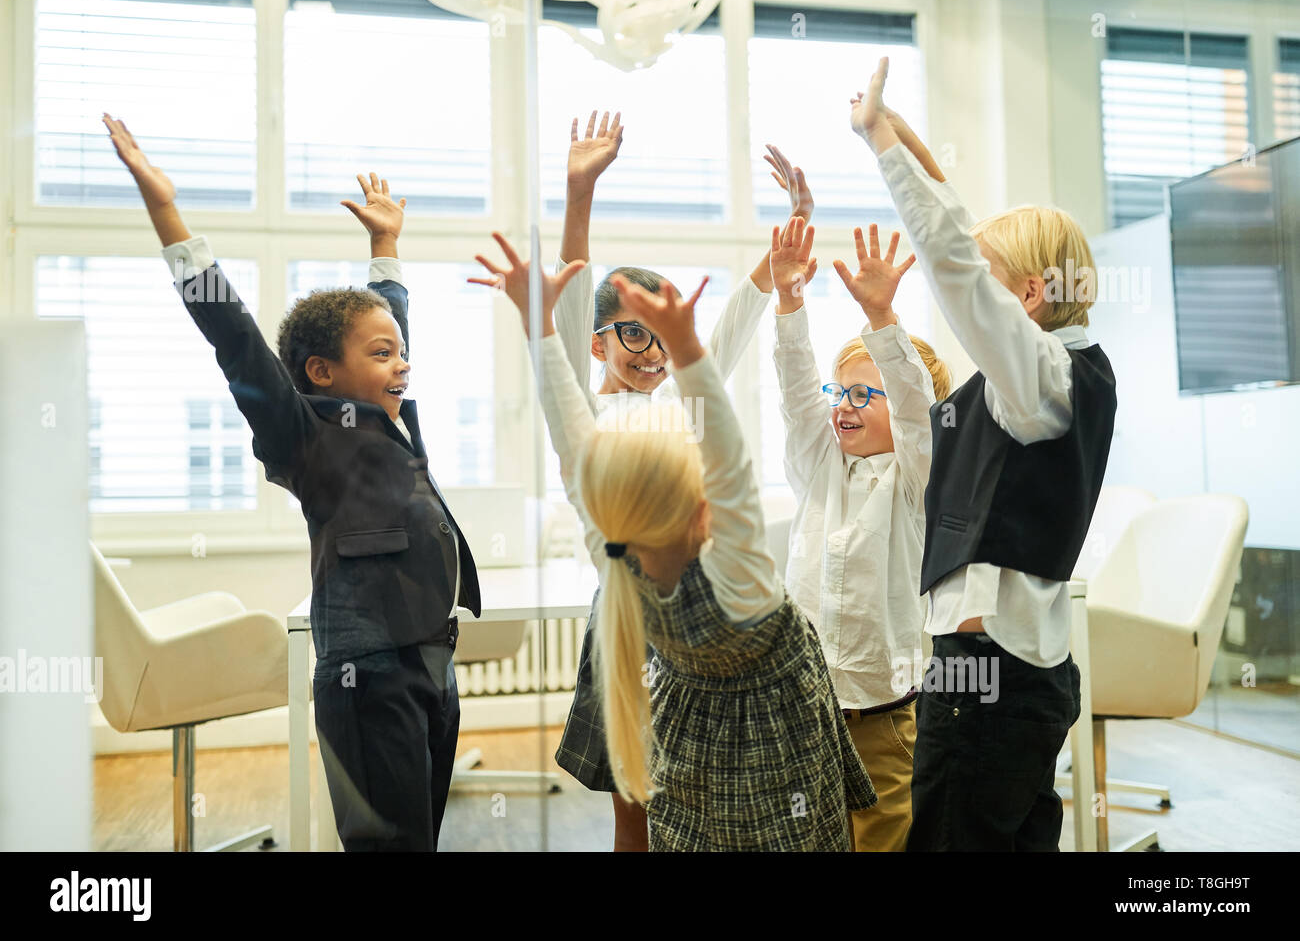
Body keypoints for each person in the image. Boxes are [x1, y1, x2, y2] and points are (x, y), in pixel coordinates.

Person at [103, 114, 483, 851]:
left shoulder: (387, 414)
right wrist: (166, 213)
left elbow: (391, 319)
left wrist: (386, 246)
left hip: (432, 662)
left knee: (421, 838)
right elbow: (233, 336)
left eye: (401, 352)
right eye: (382, 354)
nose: (402, 363)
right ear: (320, 374)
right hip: (366, 674)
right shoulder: (302, 431)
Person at [472, 230, 875, 851]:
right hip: (701, 688)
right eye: (636, 334)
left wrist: (540, 328)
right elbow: (722, 457)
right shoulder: (726, 557)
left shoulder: (613, 525)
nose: (652, 353)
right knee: (672, 815)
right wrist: (679, 345)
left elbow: (569, 430)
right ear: (701, 508)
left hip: (730, 695)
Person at [850, 58, 1117, 851]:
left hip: (986, 679)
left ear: (1028, 296)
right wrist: (900, 136)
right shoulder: (1047, 373)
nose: (970, 303)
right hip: (1005, 675)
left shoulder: (1040, 379)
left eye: (996, 287)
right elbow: (963, 238)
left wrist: (881, 149)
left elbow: (958, 266)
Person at [542, 111, 815, 850]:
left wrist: (783, 246)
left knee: (687, 797)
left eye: (662, 337)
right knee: (632, 798)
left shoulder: (674, 402)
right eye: (634, 334)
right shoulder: (583, 423)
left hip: (695, 611)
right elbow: (562, 316)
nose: (652, 353)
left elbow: (723, 331)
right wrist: (578, 196)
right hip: (626, 614)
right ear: (599, 341)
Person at [769, 205, 950, 850]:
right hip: (807, 706)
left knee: (881, 837)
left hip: (883, 712)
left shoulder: (914, 478)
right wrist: (790, 302)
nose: (846, 406)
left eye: (864, 395)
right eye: (841, 392)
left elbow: (913, 404)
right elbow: (796, 393)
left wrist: (881, 319)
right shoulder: (819, 466)